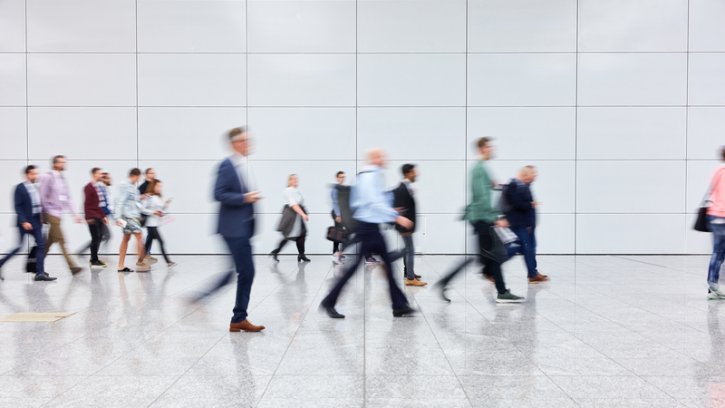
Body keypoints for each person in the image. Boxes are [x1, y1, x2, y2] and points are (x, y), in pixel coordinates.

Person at [320, 148, 416, 319]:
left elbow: (376, 201)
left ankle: (399, 305)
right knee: (356, 268)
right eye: (380, 156)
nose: (384, 158)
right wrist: (397, 217)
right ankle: (329, 301)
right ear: (374, 158)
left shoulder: (371, 175)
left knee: (386, 267)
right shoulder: (370, 176)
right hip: (368, 228)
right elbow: (373, 203)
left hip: (372, 227)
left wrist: (390, 211)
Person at [435, 137, 524, 303]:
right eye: (490, 147)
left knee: (487, 256)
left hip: (481, 217)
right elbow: (481, 197)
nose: (492, 149)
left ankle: (449, 281)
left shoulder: (481, 168)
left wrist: (493, 186)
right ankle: (501, 291)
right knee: (495, 255)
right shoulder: (479, 168)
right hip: (482, 218)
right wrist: (495, 218)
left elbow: (483, 193)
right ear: (483, 149)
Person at [213, 127, 264, 332]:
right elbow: (218, 194)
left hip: (242, 228)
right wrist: (245, 198)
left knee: (244, 272)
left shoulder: (242, 166)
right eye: (243, 141)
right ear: (234, 144)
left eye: (248, 140)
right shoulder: (227, 165)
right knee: (246, 272)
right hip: (233, 229)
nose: (247, 143)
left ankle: (238, 318)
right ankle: (236, 317)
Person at [0, 165, 56, 281]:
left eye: (36, 173)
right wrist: (24, 221)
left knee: (41, 245)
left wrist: (43, 218)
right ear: (27, 175)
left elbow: (39, 205)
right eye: (33, 174)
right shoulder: (19, 188)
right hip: (24, 223)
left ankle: (39, 273)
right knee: (19, 247)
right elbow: (18, 207)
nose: (36, 176)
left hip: (36, 222)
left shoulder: (36, 188)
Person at [503, 165, 549, 284]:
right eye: (533, 173)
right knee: (522, 248)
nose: (535, 175)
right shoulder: (515, 186)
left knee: (529, 248)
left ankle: (533, 273)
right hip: (520, 224)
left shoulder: (525, 186)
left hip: (527, 225)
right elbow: (516, 204)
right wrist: (530, 204)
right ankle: (492, 268)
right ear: (525, 175)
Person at [39, 155, 82, 275]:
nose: (64, 164)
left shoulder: (62, 178)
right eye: (61, 162)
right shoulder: (47, 177)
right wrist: (43, 214)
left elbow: (67, 198)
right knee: (62, 240)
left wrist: (75, 214)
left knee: (49, 242)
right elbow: (42, 196)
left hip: (58, 214)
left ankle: (36, 265)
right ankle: (72, 267)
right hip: (50, 213)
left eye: (64, 162)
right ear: (55, 164)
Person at [393, 164, 426, 286]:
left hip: (406, 225)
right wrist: (403, 224)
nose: (416, 174)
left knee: (408, 249)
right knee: (409, 250)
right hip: (405, 226)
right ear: (408, 173)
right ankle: (410, 278)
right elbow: (399, 209)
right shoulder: (402, 188)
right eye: (414, 172)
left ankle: (409, 273)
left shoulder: (406, 187)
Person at [115, 168, 152, 273]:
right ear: (135, 175)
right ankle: (141, 263)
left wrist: (142, 197)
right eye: (138, 178)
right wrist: (117, 217)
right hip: (129, 217)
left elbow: (133, 201)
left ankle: (120, 266)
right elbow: (120, 201)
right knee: (139, 236)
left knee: (126, 239)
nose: (138, 180)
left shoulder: (132, 186)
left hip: (131, 216)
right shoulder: (125, 185)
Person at [270, 174, 310, 263]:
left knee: (302, 234)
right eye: (293, 179)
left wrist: (303, 212)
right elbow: (293, 204)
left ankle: (301, 254)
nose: (295, 180)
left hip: (297, 215)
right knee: (289, 235)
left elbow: (299, 204)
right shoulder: (288, 190)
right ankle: (276, 251)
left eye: (296, 179)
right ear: (289, 181)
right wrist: (303, 214)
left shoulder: (296, 191)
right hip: (292, 215)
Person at [77, 171, 113, 257]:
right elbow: (96, 204)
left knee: (100, 236)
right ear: (104, 179)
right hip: (99, 216)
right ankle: (95, 254)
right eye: (108, 178)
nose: (110, 180)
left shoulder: (105, 189)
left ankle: (89, 253)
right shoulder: (99, 189)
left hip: (102, 216)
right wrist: (103, 216)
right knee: (103, 236)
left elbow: (107, 205)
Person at [143, 179, 176, 267]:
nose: (159, 188)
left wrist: (165, 207)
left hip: (156, 223)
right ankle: (168, 261)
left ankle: (141, 259)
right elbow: (143, 209)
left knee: (148, 243)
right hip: (151, 224)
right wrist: (153, 212)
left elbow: (161, 210)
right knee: (161, 241)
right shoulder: (149, 197)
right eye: (158, 186)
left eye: (160, 186)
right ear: (153, 186)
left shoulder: (158, 197)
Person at [707, 147, 725, 300]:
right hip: (721, 216)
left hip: (715, 215)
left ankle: (713, 284)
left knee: (719, 252)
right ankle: (713, 285)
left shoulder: (717, 170)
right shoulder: (723, 171)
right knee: (719, 252)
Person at [83, 167, 109, 268]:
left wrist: (103, 216)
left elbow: (98, 205)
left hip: (98, 216)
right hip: (92, 217)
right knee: (95, 238)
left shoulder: (96, 187)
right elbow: (87, 204)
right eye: (99, 173)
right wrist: (88, 217)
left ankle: (94, 259)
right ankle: (94, 260)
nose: (101, 175)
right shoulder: (88, 187)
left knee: (99, 237)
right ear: (94, 174)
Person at [138, 168, 157, 263]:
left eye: (154, 173)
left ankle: (146, 254)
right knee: (144, 234)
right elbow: (136, 198)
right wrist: (144, 196)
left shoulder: (153, 185)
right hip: (144, 214)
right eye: (151, 173)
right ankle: (144, 255)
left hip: (151, 213)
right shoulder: (143, 186)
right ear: (146, 174)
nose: (153, 174)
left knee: (151, 234)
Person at [331, 171, 347, 264]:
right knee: (338, 233)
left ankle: (337, 253)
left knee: (341, 233)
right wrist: (338, 215)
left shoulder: (342, 188)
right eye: (340, 177)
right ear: (337, 178)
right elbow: (335, 202)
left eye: (343, 177)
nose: (342, 178)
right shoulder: (335, 189)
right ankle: (335, 253)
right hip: (338, 213)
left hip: (342, 213)